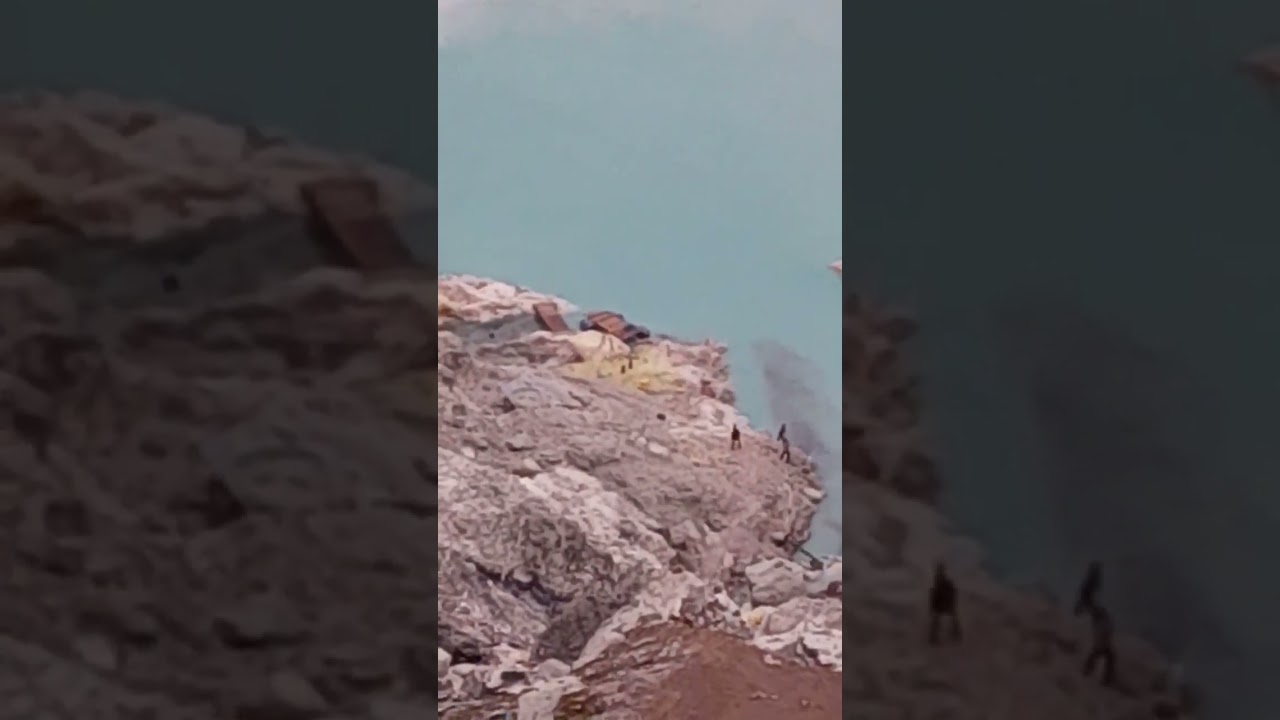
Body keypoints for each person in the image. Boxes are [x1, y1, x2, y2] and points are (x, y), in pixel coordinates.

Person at [1083, 604, 1117, 686]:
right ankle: (1106, 679)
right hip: (1102, 644)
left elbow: (1105, 632)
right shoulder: (1102, 623)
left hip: (1100, 644)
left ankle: (1087, 670)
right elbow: (1107, 632)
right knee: (1109, 659)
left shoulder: (1097, 622)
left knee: (1095, 656)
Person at [928, 563, 961, 644]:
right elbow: (934, 596)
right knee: (936, 621)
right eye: (938, 570)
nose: (939, 572)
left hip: (945, 604)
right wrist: (933, 607)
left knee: (953, 618)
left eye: (940, 570)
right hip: (940, 605)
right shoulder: (937, 582)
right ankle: (934, 637)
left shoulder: (946, 582)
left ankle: (956, 634)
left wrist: (951, 603)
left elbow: (952, 592)